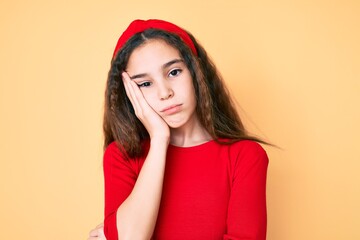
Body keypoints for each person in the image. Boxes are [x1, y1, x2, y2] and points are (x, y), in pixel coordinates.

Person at [88, 19, 269, 240]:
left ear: (196, 71)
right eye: (145, 84)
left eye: (174, 72)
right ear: (130, 95)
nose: (165, 93)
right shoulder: (122, 156)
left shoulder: (245, 156)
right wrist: (159, 138)